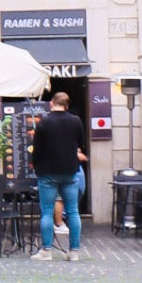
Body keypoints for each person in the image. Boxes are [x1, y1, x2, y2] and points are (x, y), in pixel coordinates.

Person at [32, 92, 88, 262]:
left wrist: (37, 168)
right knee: (73, 212)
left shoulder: (44, 122)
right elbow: (81, 143)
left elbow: (37, 150)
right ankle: (74, 252)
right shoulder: (76, 121)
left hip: (48, 173)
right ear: (66, 105)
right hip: (70, 171)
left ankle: (46, 251)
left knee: (47, 212)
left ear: (51, 104)